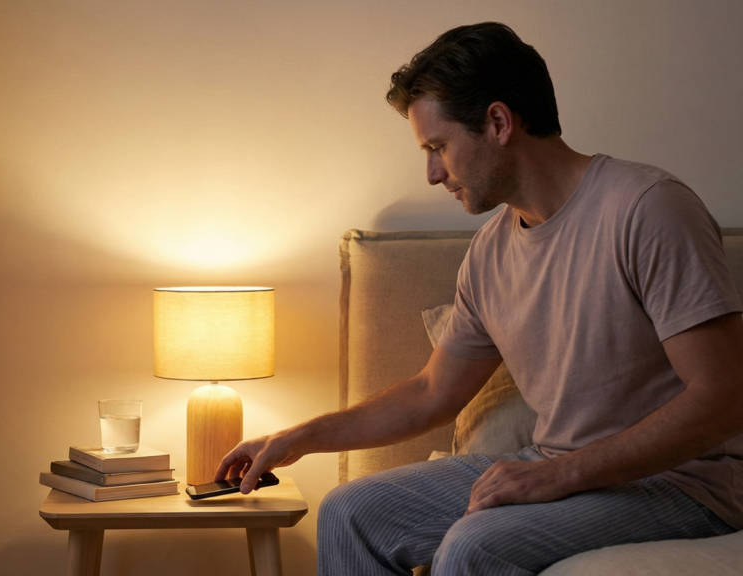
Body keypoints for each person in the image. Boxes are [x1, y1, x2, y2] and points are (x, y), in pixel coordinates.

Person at [215, 22, 743, 575]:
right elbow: (431, 393)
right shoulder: (491, 251)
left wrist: (558, 475)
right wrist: (299, 437)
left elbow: (725, 396)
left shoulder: (647, 208)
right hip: (554, 465)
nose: (432, 173)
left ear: (497, 122)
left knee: (475, 545)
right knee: (349, 511)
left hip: (682, 483)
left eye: (438, 146)